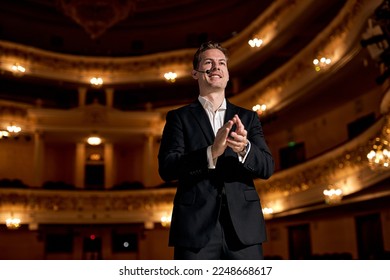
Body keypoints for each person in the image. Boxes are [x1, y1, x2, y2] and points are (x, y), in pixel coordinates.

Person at [158, 41, 274, 260]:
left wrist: (244, 148)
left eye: (222, 63)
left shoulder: (248, 117)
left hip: (244, 229)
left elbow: (267, 167)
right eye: (208, 62)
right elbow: (167, 168)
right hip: (194, 228)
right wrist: (210, 152)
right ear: (195, 73)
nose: (216, 67)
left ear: (227, 74)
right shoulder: (178, 117)